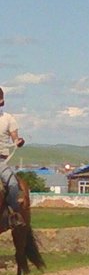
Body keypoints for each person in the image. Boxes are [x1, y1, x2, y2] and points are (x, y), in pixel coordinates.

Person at [0, 87, 25, 228]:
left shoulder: (8, 119)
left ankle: (14, 214)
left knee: (13, 184)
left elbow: (15, 137)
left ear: (1, 101)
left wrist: (19, 141)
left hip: (0, 161)